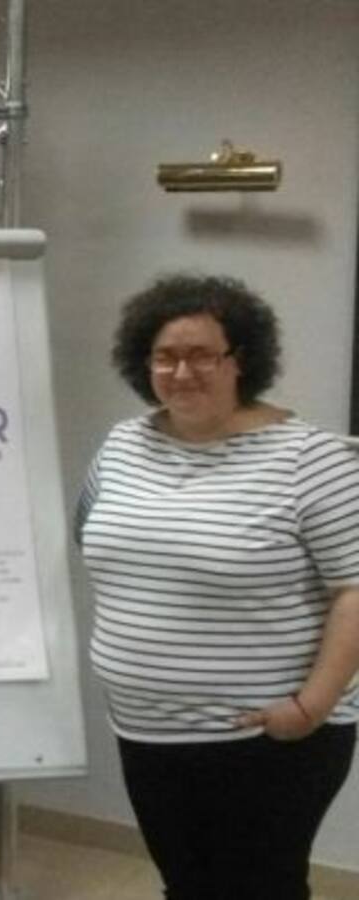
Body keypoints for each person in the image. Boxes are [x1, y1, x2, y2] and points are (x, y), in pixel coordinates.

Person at [75, 274, 359, 900]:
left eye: (203, 355)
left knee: (259, 888)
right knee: (186, 885)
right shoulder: (122, 445)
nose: (182, 372)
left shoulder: (312, 460)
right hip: (146, 729)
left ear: (242, 360)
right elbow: (94, 540)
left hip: (264, 736)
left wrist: (309, 708)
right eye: (165, 356)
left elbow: (354, 592)